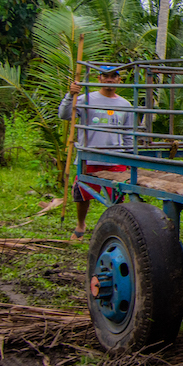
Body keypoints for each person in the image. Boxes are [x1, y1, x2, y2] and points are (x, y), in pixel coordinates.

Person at [58, 64, 135, 240]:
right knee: (82, 194)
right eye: (105, 76)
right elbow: (64, 114)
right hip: (89, 156)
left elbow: (128, 133)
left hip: (115, 157)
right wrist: (70, 95)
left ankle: (114, 228)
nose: (109, 79)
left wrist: (130, 158)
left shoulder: (125, 104)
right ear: (99, 78)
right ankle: (81, 224)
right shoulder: (85, 99)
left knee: (117, 197)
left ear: (119, 80)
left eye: (113, 76)